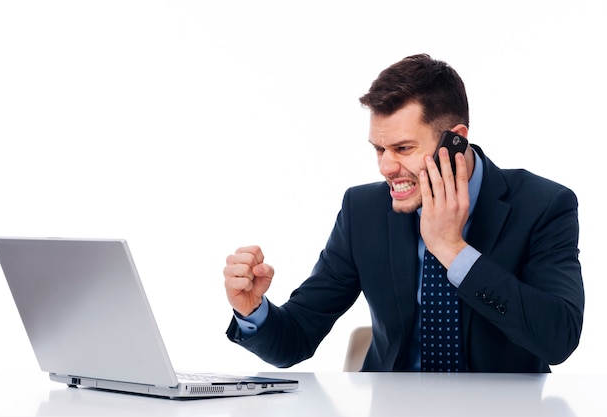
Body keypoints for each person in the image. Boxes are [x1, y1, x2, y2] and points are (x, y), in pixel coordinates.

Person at [223, 53, 584, 372]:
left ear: (455, 140)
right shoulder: (363, 211)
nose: (386, 167)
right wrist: (254, 310)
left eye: (403, 148)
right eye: (379, 149)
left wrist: (452, 250)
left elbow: (558, 340)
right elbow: (295, 339)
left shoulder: (543, 206)